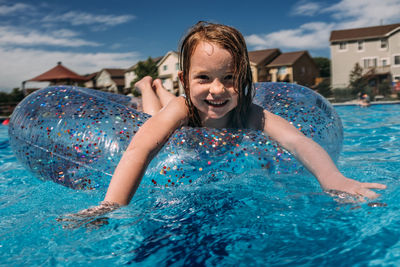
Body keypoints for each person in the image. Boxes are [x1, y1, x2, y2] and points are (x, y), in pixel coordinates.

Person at [63, 21, 386, 220]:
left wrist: (333, 179)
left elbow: (296, 141)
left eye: (229, 78)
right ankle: (150, 86)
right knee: (152, 117)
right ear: (184, 79)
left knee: (181, 106)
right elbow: (140, 150)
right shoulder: (181, 109)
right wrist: (112, 204)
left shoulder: (250, 113)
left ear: (243, 80)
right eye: (203, 77)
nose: (218, 89)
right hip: (177, 115)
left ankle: (155, 87)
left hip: (185, 103)